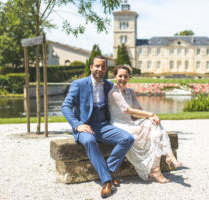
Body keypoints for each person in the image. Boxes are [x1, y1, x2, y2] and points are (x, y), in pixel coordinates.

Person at [61, 56, 134, 198]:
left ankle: (107, 170)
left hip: (103, 125)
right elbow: (65, 107)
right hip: (85, 125)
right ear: (91, 67)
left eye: (103, 67)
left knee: (127, 138)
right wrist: (77, 125)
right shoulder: (79, 84)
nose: (100, 69)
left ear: (106, 69)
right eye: (97, 66)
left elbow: (123, 101)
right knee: (89, 141)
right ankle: (107, 182)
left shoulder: (108, 85)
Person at [108, 65, 182, 183]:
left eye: (125, 76)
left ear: (129, 78)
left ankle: (167, 157)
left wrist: (151, 117)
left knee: (155, 125)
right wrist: (151, 114)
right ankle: (159, 168)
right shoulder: (113, 92)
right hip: (119, 125)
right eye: (120, 76)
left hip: (129, 122)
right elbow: (128, 110)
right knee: (152, 124)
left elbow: (138, 108)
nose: (122, 78)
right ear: (115, 77)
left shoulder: (130, 91)